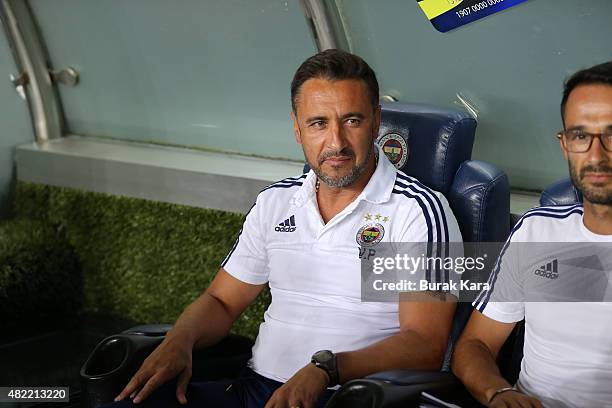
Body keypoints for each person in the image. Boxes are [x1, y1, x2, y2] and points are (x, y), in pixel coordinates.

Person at [111, 49, 462, 408]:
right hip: (254, 390)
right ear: (297, 129)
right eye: (318, 124)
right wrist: (179, 341)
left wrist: (326, 369)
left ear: (376, 122)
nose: (336, 142)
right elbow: (221, 301)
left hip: (350, 397)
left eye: (352, 121)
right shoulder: (275, 202)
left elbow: (424, 344)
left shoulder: (415, 211)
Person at [452, 61, 612, 408]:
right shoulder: (536, 230)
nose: (596, 155)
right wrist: (498, 392)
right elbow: (475, 346)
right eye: (581, 135)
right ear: (565, 144)